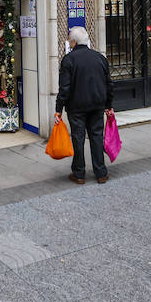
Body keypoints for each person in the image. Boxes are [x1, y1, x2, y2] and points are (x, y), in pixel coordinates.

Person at [55, 26, 114, 184]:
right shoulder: (100, 58)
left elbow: (64, 88)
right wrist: (109, 105)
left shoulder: (69, 60)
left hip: (76, 107)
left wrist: (58, 109)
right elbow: (109, 84)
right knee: (96, 136)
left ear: (73, 42)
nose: (68, 41)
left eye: (69, 39)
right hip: (97, 105)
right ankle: (101, 172)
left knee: (78, 138)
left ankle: (79, 173)